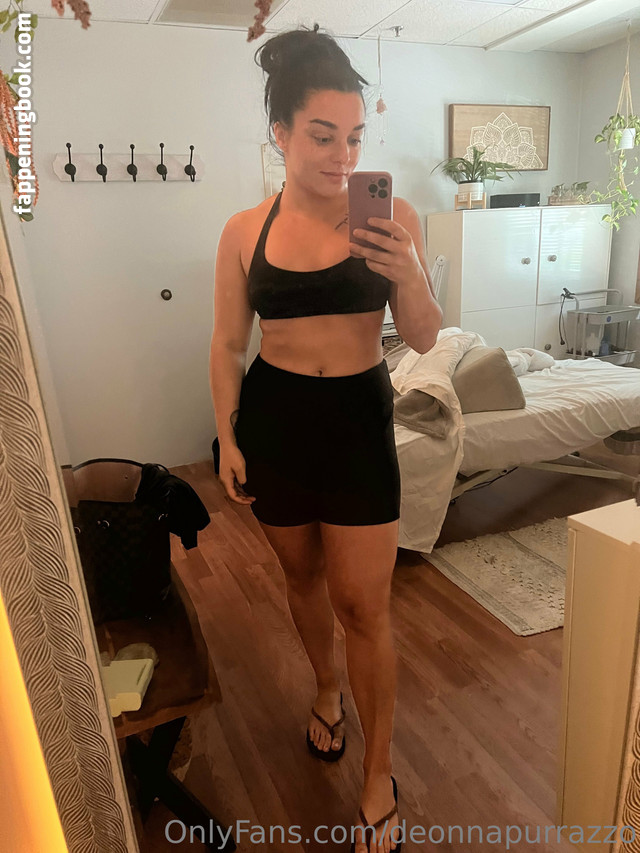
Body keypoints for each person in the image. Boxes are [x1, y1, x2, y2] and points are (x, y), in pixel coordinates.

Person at [209, 23, 442, 853]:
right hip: (275, 420)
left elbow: (424, 336)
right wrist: (228, 435)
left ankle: (378, 771)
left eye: (354, 137)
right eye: (321, 135)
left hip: (356, 422)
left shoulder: (392, 215)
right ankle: (325, 687)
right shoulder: (244, 230)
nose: (343, 157)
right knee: (302, 577)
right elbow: (226, 345)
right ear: (281, 133)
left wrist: (409, 271)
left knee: (365, 604)